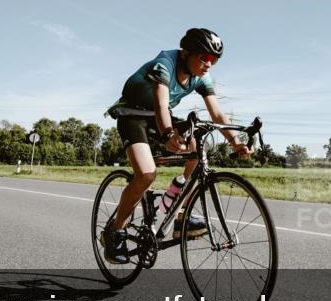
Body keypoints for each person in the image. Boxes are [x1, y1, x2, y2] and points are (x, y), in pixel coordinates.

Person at [101, 28, 251, 263]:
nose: (209, 64)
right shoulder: (165, 64)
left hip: (158, 116)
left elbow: (217, 113)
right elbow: (161, 106)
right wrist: (169, 134)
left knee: (197, 149)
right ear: (185, 53)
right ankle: (115, 231)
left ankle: (180, 212)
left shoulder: (201, 76)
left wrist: (235, 142)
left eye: (214, 60)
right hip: (132, 115)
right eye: (204, 57)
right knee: (146, 175)